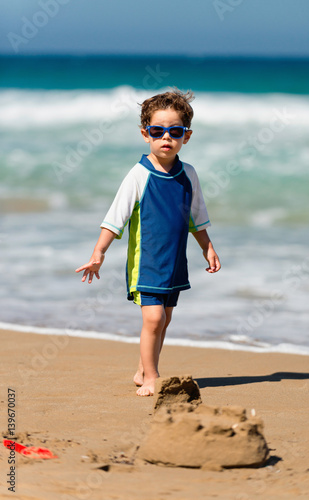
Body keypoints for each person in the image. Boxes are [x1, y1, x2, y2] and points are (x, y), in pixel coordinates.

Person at [76, 88, 221, 397]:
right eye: (157, 131)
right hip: (147, 264)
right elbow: (115, 218)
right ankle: (153, 375)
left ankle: (144, 368)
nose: (166, 137)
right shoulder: (138, 175)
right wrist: (98, 253)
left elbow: (197, 218)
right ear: (145, 134)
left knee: (165, 318)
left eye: (175, 131)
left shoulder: (189, 175)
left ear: (187, 135)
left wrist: (207, 247)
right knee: (153, 317)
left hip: (174, 263)